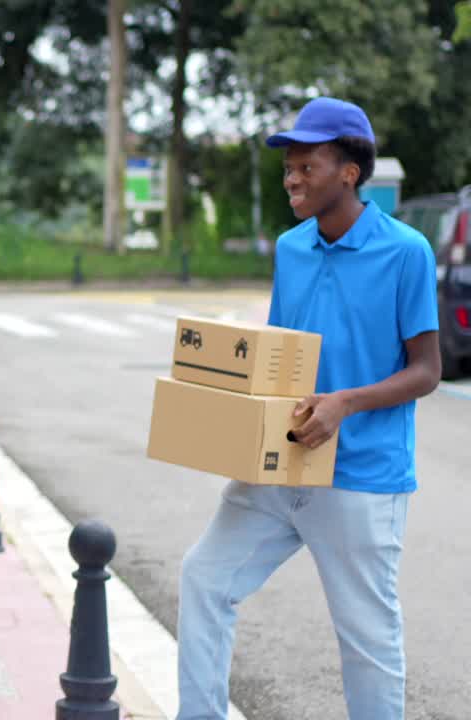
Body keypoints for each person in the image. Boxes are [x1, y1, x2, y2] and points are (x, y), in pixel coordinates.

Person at [175, 98, 442, 720]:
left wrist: (344, 403)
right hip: (282, 466)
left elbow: (427, 370)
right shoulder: (291, 248)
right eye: (288, 168)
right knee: (204, 578)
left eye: (306, 166)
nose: (292, 179)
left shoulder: (406, 251)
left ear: (349, 171)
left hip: (360, 476)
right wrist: (237, 421)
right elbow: (280, 356)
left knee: (367, 642)